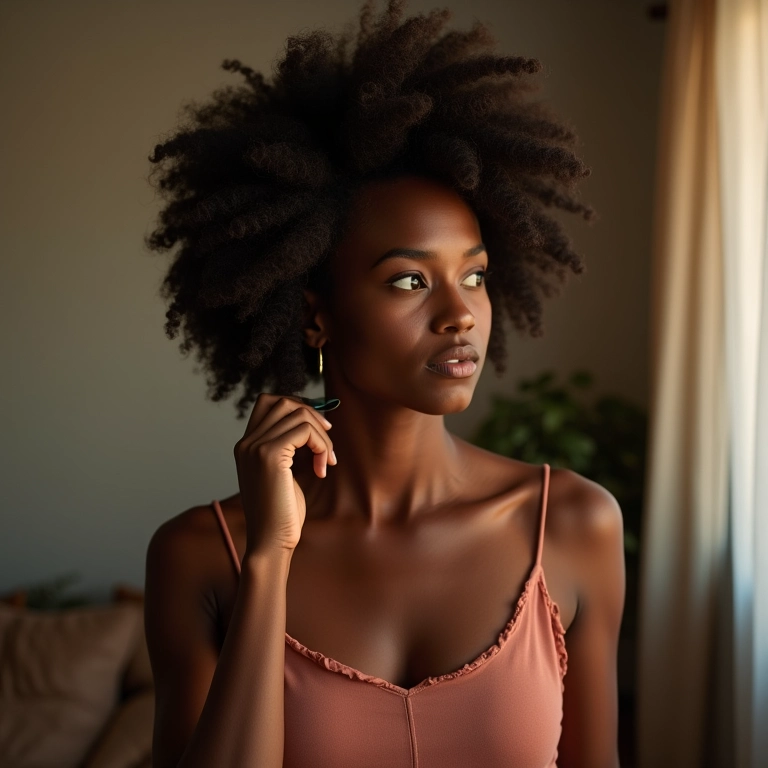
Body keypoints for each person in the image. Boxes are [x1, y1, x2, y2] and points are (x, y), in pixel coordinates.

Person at [143, 1, 625, 766]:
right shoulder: (202, 555)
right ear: (316, 316)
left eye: (474, 276)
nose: (460, 314)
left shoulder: (570, 524)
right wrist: (269, 558)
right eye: (409, 280)